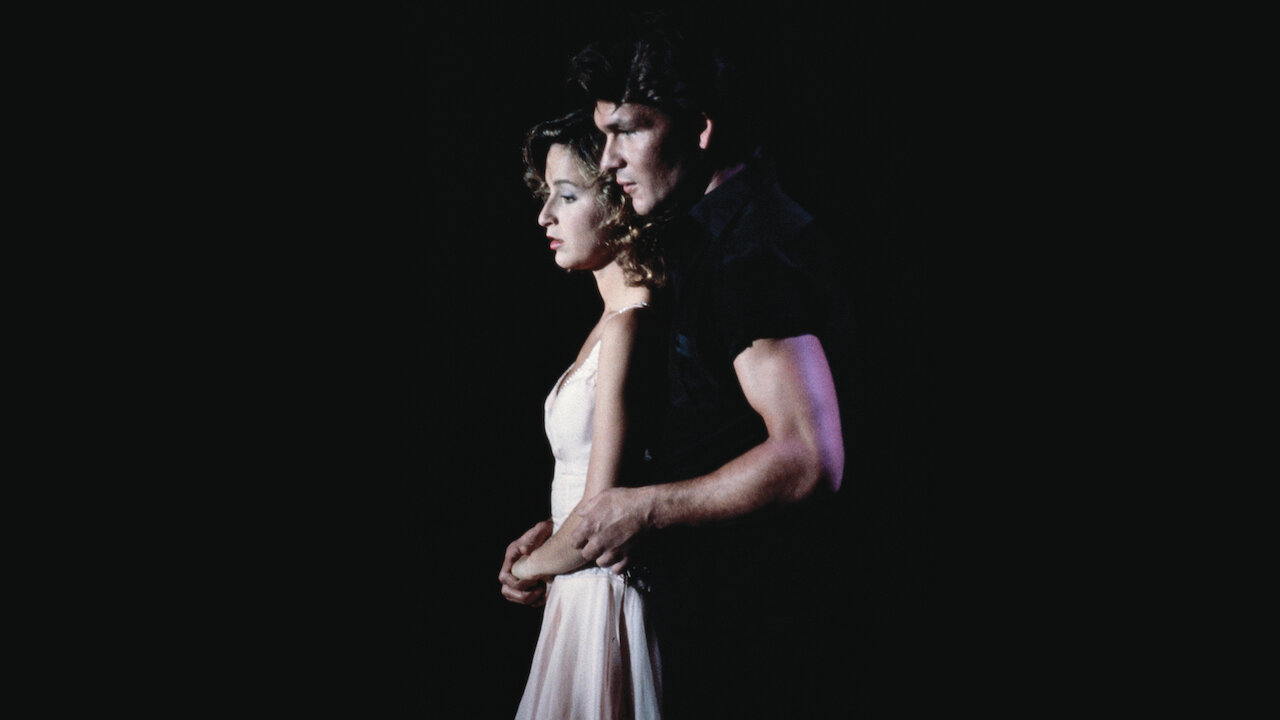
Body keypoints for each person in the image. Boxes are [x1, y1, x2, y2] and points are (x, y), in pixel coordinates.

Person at [557, 15, 849, 720]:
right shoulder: (709, 238)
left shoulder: (751, 251)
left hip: (755, 646)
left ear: (700, 128)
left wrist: (644, 510)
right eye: (602, 135)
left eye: (628, 131)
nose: (609, 160)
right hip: (710, 628)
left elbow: (810, 457)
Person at [499, 109, 668, 720]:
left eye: (566, 196)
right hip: (576, 587)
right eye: (545, 196)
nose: (545, 215)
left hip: (601, 597)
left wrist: (528, 569)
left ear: (617, 203)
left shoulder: (630, 327)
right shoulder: (608, 324)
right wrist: (549, 533)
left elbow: (601, 513)